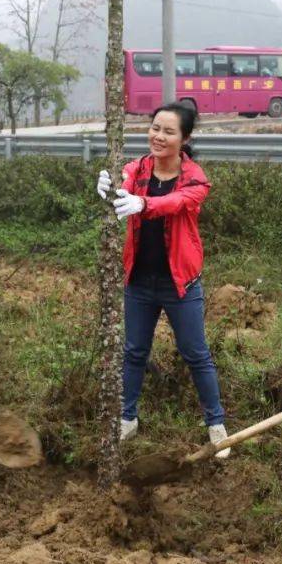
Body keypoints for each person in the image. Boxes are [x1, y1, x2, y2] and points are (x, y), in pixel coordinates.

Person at [96, 101, 232, 458]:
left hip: (180, 284)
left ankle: (216, 425)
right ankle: (127, 419)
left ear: (184, 139)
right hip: (139, 281)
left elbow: (176, 203)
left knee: (196, 354)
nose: (158, 136)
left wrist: (144, 205)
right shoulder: (137, 169)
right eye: (155, 128)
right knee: (134, 351)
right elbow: (124, 177)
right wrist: (109, 184)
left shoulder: (195, 179)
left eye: (169, 131)